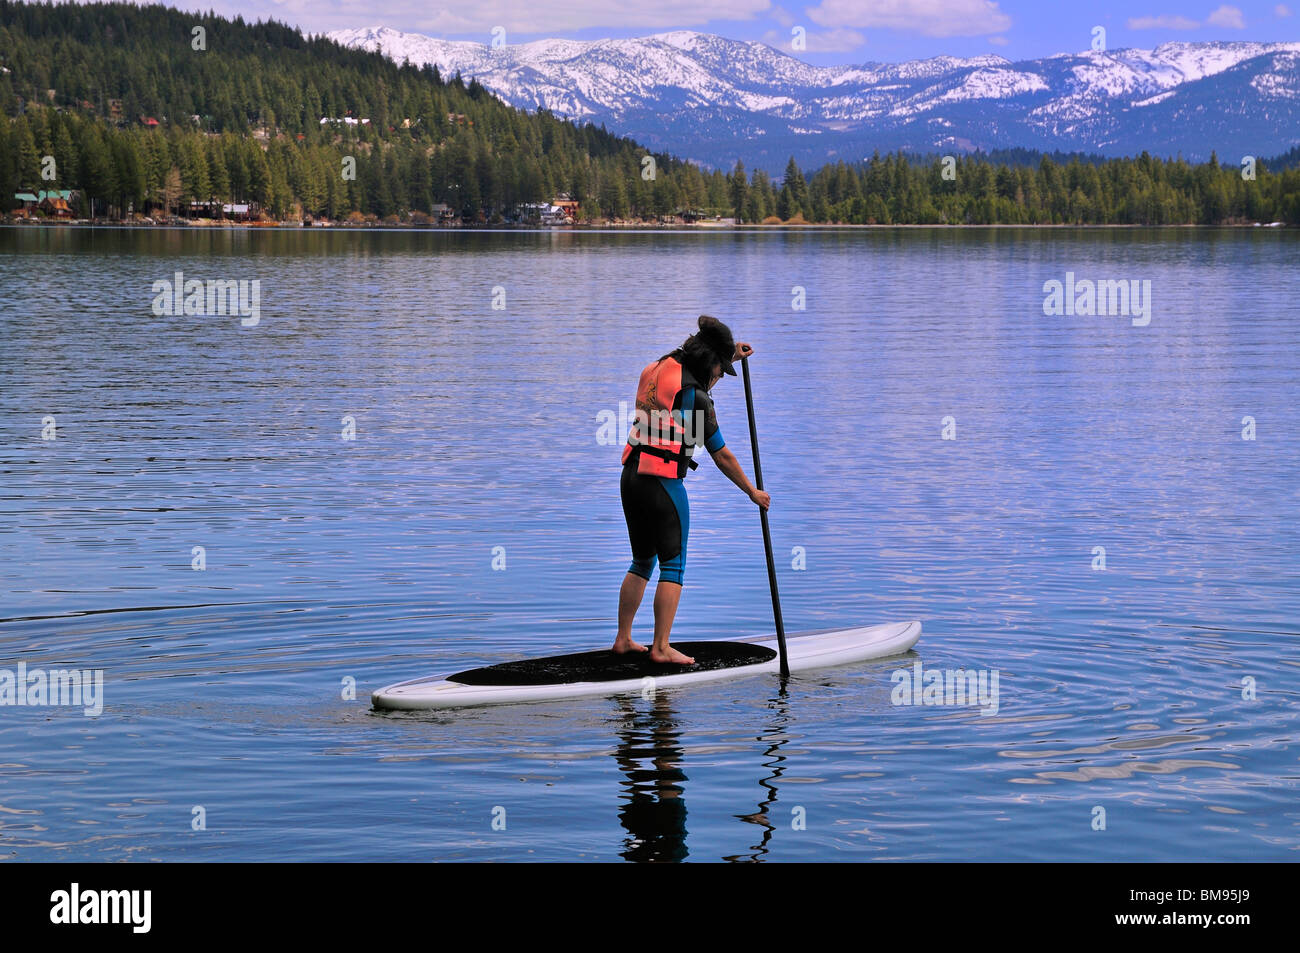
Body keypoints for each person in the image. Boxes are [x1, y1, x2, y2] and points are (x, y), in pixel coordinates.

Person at [614, 315, 771, 665]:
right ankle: (661, 647)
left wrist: (730, 356)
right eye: (720, 370)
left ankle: (623, 640)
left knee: (642, 559)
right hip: (662, 483)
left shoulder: (657, 366)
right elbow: (722, 455)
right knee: (674, 565)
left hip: (631, 478)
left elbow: (684, 378)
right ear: (708, 362)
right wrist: (752, 492)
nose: (720, 377)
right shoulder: (696, 398)